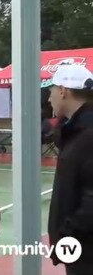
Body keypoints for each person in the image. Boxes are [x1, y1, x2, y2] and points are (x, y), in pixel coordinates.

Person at [45, 64, 93, 274]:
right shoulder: (76, 132)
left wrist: (67, 234)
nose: (49, 98)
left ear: (63, 91)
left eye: (51, 91)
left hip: (84, 250)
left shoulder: (87, 135)